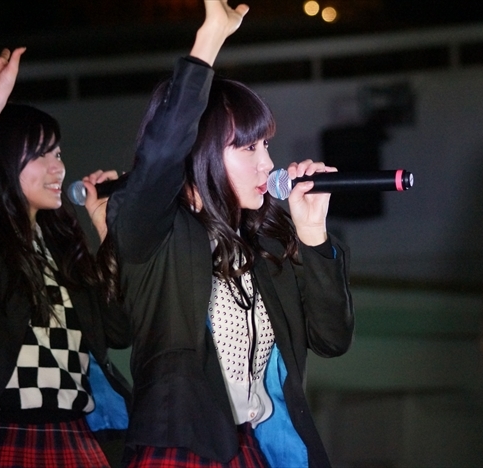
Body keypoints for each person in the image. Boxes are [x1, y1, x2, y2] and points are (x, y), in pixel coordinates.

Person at [106, 1, 354, 467]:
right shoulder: (155, 231)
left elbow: (332, 339)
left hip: (254, 448)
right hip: (183, 449)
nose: (267, 163)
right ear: (197, 151)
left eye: (266, 145)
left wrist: (312, 233)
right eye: (247, 147)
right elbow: (160, 157)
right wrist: (210, 40)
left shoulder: (266, 243)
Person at [0, 48, 132, 467]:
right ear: (5, 160)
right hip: (4, 435)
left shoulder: (62, 247)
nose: (58, 168)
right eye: (41, 154)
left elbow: (118, 330)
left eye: (57, 154)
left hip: (75, 436)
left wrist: (106, 229)